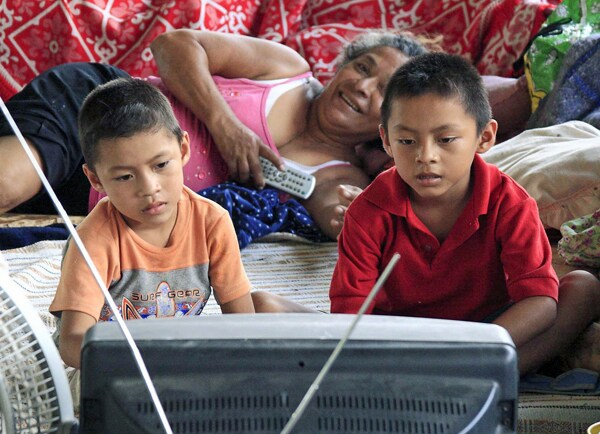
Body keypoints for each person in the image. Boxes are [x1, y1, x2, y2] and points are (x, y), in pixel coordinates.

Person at [0, 30, 434, 240]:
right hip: (100, 109)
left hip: (96, 196)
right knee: (7, 184)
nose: (362, 86)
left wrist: (347, 220)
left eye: (383, 91)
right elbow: (174, 45)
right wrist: (226, 126)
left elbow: (332, 207)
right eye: (363, 68)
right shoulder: (287, 71)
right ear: (341, 66)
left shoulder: (342, 173)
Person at [329, 52, 600, 376]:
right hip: (401, 339)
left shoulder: (510, 203)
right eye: (407, 140)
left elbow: (539, 302)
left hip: (487, 334)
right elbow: (349, 318)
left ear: (484, 137)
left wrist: (468, 351)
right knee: (274, 311)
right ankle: (470, 379)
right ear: (386, 139)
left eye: (445, 140)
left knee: (583, 288)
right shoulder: (367, 213)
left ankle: (476, 377)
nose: (425, 156)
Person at [49, 78, 255, 370]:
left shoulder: (213, 222)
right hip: (105, 369)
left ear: (183, 149)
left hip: (177, 362)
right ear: (95, 180)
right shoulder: (94, 240)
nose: (149, 188)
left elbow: (244, 324)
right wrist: (149, 364)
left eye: (160, 165)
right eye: (124, 177)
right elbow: (72, 343)